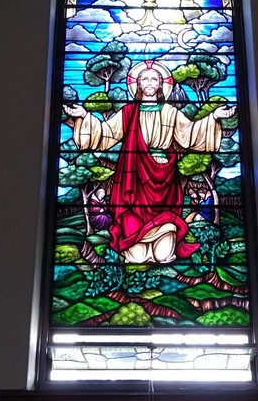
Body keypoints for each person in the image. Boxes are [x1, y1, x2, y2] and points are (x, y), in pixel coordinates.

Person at [64, 60, 235, 264]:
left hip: (165, 178)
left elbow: (190, 134)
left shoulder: (170, 112)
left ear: (162, 84)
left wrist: (213, 116)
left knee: (163, 254)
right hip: (135, 176)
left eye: (154, 79)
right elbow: (106, 133)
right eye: (145, 79)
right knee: (137, 256)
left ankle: (163, 244)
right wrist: (84, 115)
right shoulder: (128, 112)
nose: (150, 83)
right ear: (137, 84)